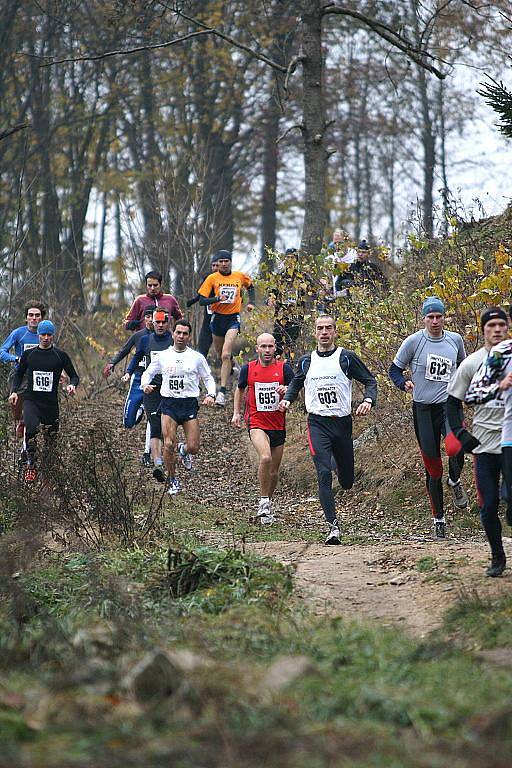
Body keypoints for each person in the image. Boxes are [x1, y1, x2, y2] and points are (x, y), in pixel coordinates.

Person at [279, 315, 377, 544]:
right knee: (323, 474)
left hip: (342, 424)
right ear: (315, 333)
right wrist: (288, 400)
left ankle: (335, 463)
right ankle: (333, 527)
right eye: (320, 328)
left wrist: (369, 401)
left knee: (347, 481)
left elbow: (370, 381)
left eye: (328, 328)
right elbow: (296, 381)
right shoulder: (306, 361)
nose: (324, 332)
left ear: (335, 332)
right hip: (317, 423)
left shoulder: (346, 358)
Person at [389, 296, 467, 538]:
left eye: (439, 316)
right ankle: (439, 520)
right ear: (424, 318)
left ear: (445, 317)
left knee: (456, 446)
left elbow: (463, 367)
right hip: (422, 410)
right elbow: (394, 369)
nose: (435, 321)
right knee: (433, 469)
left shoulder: (455, 340)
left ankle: (454, 481)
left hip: (449, 405)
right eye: (430, 317)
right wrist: (404, 383)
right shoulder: (414, 342)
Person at [446, 307, 510, 576]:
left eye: (501, 325)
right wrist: (461, 435)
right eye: (491, 326)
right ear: (482, 330)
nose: (496, 330)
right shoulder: (472, 363)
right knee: (488, 505)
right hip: (483, 445)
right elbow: (451, 402)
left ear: (507, 328)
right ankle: (497, 557)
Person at [141, 319, 216, 495]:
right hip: (168, 403)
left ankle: (184, 451)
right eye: (178, 333)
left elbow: (208, 378)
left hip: (189, 403)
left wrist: (211, 394)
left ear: (189, 336)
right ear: (173, 334)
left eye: (185, 333)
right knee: (168, 444)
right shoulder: (163, 356)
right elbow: (148, 373)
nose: (181, 336)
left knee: (194, 447)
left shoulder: (197, 357)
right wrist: (145, 385)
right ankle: (172, 480)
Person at [232, 332, 295, 523]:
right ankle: (263, 501)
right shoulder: (248, 369)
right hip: (256, 422)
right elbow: (240, 389)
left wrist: (288, 392)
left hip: (277, 424)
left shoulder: (284, 369)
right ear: (257, 349)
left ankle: (268, 503)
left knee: (274, 472)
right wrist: (236, 412)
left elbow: (296, 390)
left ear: (275, 348)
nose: (267, 350)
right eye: (263, 347)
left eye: (270, 346)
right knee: (265, 457)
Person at [8, 320, 79, 482]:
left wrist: (72, 385)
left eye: (49, 335)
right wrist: (14, 392)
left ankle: (48, 471)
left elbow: (74, 375)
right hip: (31, 400)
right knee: (31, 429)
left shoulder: (60, 356)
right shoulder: (29, 354)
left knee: (51, 438)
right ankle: (30, 465)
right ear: (38, 335)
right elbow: (19, 374)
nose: (46, 338)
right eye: (43, 334)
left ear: (53, 336)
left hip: (50, 403)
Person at [197, 251, 255, 406]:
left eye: (226, 261)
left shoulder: (239, 276)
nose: (223, 264)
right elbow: (202, 301)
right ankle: (231, 368)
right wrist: (216, 298)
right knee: (220, 354)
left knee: (225, 354)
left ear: (230, 262)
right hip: (217, 320)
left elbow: (251, 286)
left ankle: (221, 392)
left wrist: (251, 302)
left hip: (232, 319)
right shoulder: (212, 278)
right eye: (220, 261)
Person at [127, 308, 173, 481]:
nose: (160, 325)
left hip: (170, 390)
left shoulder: (174, 340)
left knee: (168, 428)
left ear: (168, 323)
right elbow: (136, 357)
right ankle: (158, 464)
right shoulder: (146, 340)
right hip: (151, 389)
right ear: (152, 322)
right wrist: (129, 372)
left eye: (163, 322)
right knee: (154, 425)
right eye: (157, 322)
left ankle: (178, 453)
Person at [1, 301, 47, 437]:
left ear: (41, 318)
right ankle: (21, 421)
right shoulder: (18, 333)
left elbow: (53, 353)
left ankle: (29, 436)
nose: (34, 318)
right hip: (19, 374)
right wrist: (16, 359)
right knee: (16, 411)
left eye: (37, 315)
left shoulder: (45, 334)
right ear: (26, 317)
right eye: (31, 315)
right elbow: (2, 351)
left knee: (33, 409)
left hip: (38, 376)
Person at [187, 255, 219, 358]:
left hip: (223, 318)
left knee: (224, 352)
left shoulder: (229, 280)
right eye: (213, 265)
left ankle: (231, 369)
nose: (215, 268)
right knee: (202, 348)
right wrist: (192, 301)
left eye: (217, 265)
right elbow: (202, 295)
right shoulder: (208, 278)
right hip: (208, 318)